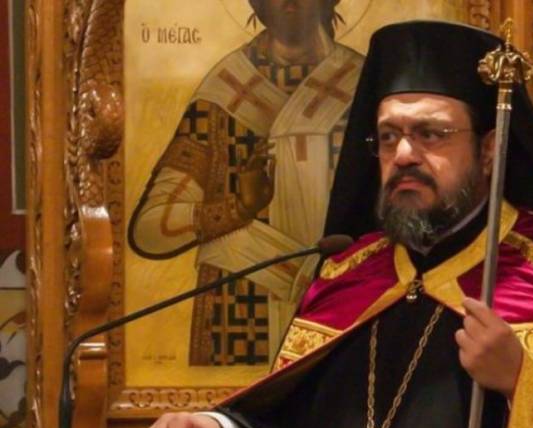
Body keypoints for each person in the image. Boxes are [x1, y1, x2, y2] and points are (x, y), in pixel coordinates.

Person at [139, 20, 533, 428]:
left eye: (431, 134)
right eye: (389, 136)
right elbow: (294, 420)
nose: (405, 155)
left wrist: (523, 378)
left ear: (489, 150)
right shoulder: (350, 273)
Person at [128, 0, 364, 366]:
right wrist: (238, 208)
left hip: (342, 306)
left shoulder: (365, 87)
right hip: (238, 312)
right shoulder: (224, 92)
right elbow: (151, 228)